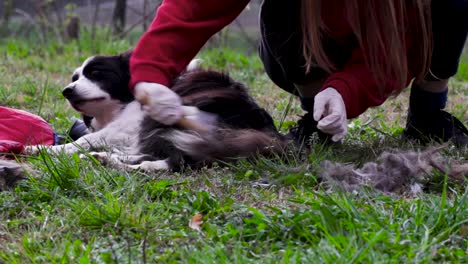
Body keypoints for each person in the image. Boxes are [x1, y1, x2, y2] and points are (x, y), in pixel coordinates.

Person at [129, 0, 468, 146]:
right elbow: (195, 8)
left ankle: (428, 111)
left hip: (384, 47)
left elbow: (396, 52)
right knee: (285, 6)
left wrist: (345, 91)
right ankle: (316, 114)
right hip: (307, 44)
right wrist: (150, 72)